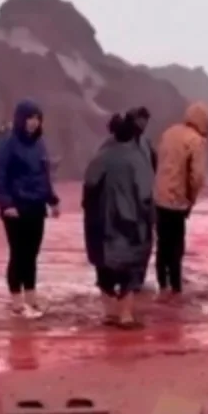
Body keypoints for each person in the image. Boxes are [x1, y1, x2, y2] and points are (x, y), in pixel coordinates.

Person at [82, 112, 156, 329]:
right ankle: (125, 315)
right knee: (130, 271)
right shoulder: (137, 159)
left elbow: (89, 188)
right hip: (130, 226)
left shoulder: (100, 155)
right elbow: (145, 195)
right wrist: (151, 220)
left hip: (101, 226)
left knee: (104, 269)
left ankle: (109, 313)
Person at [0, 100, 60, 318]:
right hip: (16, 208)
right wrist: (6, 204)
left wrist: (52, 200)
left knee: (32, 253)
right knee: (19, 253)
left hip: (36, 206)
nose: (34, 122)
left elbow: (44, 176)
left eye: (37, 118)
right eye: (30, 118)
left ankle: (31, 296)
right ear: (21, 119)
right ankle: (16, 300)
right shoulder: (7, 145)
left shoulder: (39, 145)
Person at [153, 101, 208, 299]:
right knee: (176, 244)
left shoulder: (169, 133)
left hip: (159, 197)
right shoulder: (196, 141)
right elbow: (197, 176)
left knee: (162, 243)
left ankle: (162, 284)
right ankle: (176, 287)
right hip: (178, 200)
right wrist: (191, 200)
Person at [127, 106, 158, 172]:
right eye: (144, 118)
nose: (145, 122)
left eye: (146, 119)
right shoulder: (129, 137)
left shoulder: (145, 141)